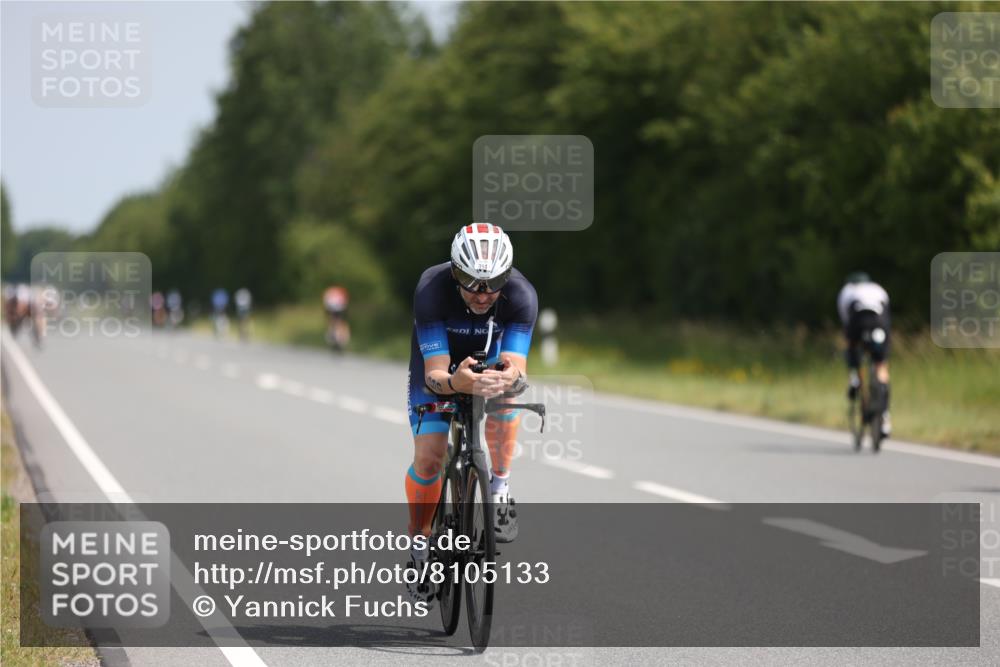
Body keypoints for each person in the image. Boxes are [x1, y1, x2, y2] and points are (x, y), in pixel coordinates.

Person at [404, 223, 537, 604]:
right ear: (454, 272)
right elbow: (434, 375)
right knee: (429, 457)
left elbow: (516, 368)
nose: (482, 294)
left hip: (488, 358)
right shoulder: (431, 288)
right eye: (471, 282)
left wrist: (510, 378)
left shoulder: (522, 295)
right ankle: (419, 548)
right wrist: (454, 382)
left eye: (493, 283)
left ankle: (499, 487)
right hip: (440, 363)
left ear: (506, 276)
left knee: (506, 396)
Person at [837, 272, 891, 437]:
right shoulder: (878, 289)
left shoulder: (848, 290)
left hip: (858, 319)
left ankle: (854, 376)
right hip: (879, 321)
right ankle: (885, 418)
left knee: (852, 346)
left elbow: (845, 319)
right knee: (881, 364)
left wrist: (851, 338)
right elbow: (887, 314)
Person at [323, 285, 351, 350]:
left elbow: (326, 303)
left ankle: (334, 336)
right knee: (339, 322)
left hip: (333, 308)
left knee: (334, 322)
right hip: (339, 308)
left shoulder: (330, 291)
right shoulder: (339, 292)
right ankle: (338, 337)